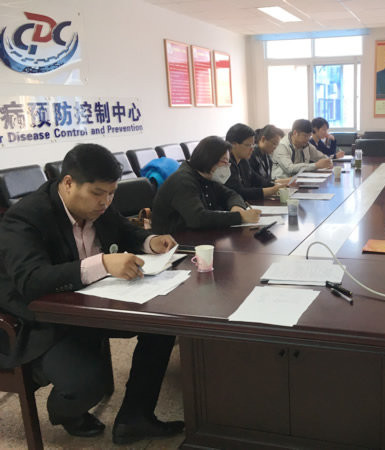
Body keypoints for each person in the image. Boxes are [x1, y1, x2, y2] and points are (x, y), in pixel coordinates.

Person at [0, 143, 183, 444]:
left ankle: (134, 418)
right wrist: (103, 264)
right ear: (68, 183)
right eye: (98, 193)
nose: (105, 202)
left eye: (111, 193)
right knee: (86, 383)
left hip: (91, 305)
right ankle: (64, 412)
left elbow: (125, 230)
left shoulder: (99, 206)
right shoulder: (26, 218)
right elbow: (31, 281)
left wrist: (150, 241)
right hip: (40, 321)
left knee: (161, 325)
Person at [151, 136, 261, 234]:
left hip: (197, 236)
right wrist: (239, 217)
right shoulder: (183, 181)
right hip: (173, 242)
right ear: (209, 159)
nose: (227, 167)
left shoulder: (207, 176)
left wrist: (237, 208)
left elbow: (232, 195)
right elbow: (197, 218)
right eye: (224, 162)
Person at [224, 123, 284, 201]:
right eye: (248, 145)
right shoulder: (226, 164)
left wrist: (276, 185)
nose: (252, 149)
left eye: (252, 145)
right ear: (233, 144)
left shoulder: (243, 161)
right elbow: (239, 192)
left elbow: (256, 179)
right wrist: (272, 190)